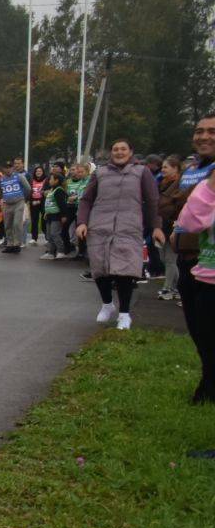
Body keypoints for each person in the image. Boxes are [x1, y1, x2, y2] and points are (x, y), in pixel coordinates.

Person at [76, 138, 163, 331]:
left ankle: (124, 314)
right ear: (111, 153)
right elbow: (86, 200)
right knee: (100, 269)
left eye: (123, 149)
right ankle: (107, 304)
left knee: (124, 271)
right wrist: (82, 222)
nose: (119, 152)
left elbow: (152, 201)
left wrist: (156, 226)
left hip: (128, 228)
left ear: (131, 152)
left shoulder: (141, 172)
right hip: (99, 227)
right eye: (116, 149)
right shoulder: (100, 172)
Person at [169, 114, 215, 418]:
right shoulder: (194, 170)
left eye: (212, 131)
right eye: (199, 131)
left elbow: (192, 217)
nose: (204, 136)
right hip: (199, 263)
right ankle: (208, 387)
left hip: (208, 269)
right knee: (201, 333)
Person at [0, 158, 29, 253]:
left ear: (12, 168)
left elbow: (28, 188)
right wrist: (3, 198)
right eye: (6, 168)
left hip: (18, 202)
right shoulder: (1, 180)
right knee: (7, 225)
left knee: (17, 224)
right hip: (7, 204)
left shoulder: (19, 176)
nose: (8, 169)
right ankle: (10, 244)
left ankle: (17, 244)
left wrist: (23, 198)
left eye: (10, 167)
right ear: (3, 169)